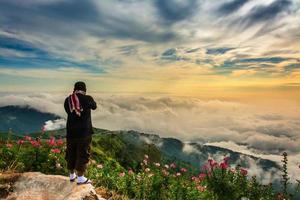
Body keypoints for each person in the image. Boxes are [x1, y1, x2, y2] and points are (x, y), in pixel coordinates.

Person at [64, 81, 97, 185]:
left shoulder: (68, 100)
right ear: (84, 89)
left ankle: (71, 175)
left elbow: (68, 111)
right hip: (84, 133)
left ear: (74, 89)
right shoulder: (87, 99)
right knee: (83, 153)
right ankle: (81, 177)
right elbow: (94, 106)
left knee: (71, 152)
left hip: (71, 132)